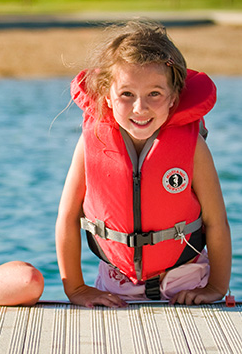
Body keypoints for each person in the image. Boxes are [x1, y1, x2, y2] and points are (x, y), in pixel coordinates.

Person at [55, 20, 232, 307]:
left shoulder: (193, 148)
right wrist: (75, 288)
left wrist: (215, 287)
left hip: (187, 281)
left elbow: (216, 222)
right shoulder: (91, 144)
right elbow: (66, 218)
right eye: (127, 94)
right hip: (116, 284)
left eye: (154, 94)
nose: (140, 108)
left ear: (173, 98)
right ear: (107, 98)